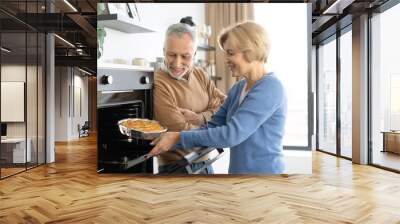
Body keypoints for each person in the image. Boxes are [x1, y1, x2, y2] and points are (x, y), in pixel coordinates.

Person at [149, 21, 287, 174]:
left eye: (230, 53)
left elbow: (231, 134)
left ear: (250, 51)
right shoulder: (238, 88)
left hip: (265, 179)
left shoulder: (270, 87)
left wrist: (178, 137)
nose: (226, 59)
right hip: (238, 176)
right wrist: (172, 137)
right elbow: (213, 126)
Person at [153, 18, 226, 174]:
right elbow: (180, 131)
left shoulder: (200, 73)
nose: (177, 63)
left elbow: (225, 106)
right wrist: (214, 124)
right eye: (172, 55)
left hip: (207, 162)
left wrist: (200, 117)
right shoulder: (159, 82)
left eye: (185, 56)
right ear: (163, 51)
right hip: (178, 169)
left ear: (194, 53)